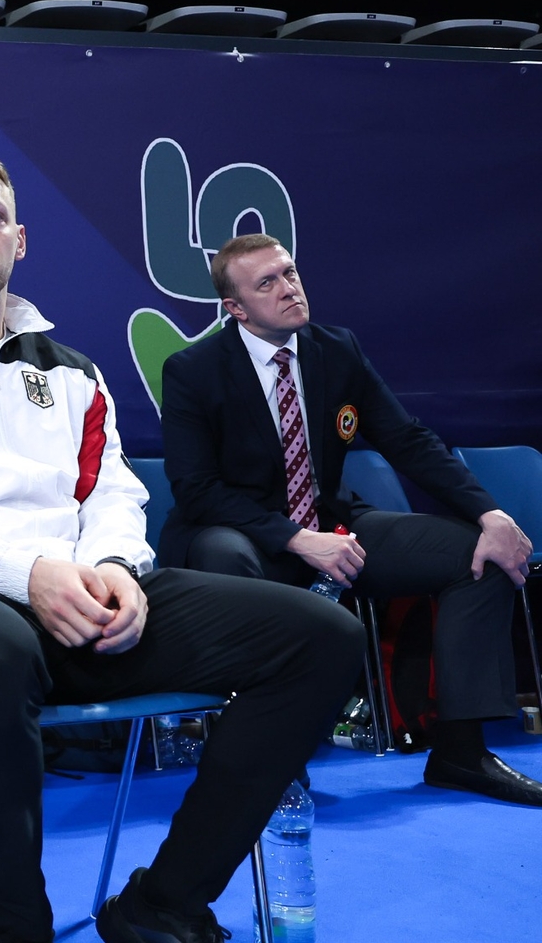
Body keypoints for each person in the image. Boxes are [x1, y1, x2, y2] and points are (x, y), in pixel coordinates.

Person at [0, 152, 363, 943]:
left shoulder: (75, 373)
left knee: (323, 637)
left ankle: (164, 903)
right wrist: (28, 573)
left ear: (19, 240)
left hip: (81, 601)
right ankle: (17, 922)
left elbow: (111, 497)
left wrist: (115, 569)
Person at [158, 232, 541, 805]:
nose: (289, 288)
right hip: (242, 532)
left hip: (334, 522)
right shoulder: (194, 370)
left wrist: (490, 513)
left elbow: (407, 440)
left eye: (290, 273)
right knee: (223, 555)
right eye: (267, 283)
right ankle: (269, 761)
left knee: (477, 554)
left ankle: (461, 752)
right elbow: (197, 490)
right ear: (235, 308)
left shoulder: (336, 349)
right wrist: (295, 538)